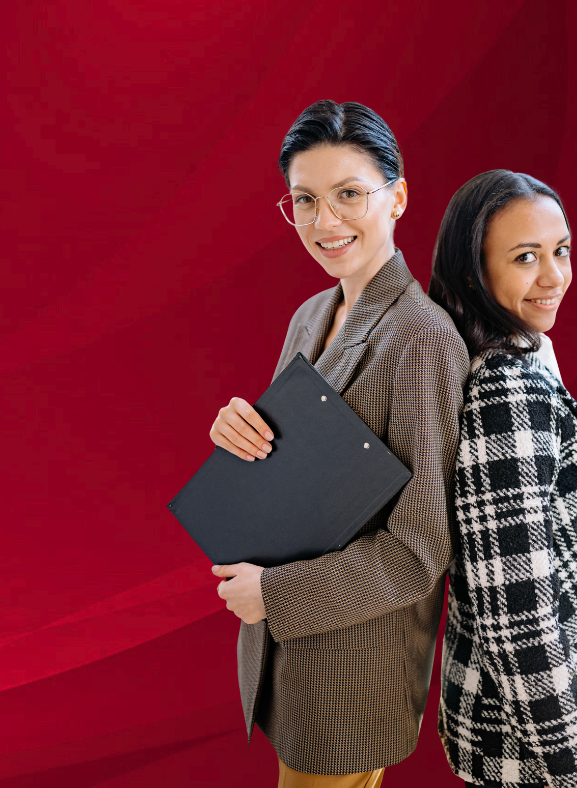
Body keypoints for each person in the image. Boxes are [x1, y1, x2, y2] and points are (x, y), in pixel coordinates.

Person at [208, 100, 470, 787]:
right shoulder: (310, 315)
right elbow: (293, 475)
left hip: (351, 672)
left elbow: (419, 549)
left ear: (399, 197)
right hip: (288, 660)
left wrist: (276, 594)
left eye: (350, 195)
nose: (325, 223)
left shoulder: (422, 337)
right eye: (305, 200)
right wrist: (236, 433)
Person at [428, 170, 577, 788]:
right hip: (531, 746)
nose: (554, 276)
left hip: (539, 727)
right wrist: (565, 765)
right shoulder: (505, 392)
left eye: (560, 250)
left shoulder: (525, 352)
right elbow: (515, 615)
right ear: (473, 277)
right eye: (524, 258)